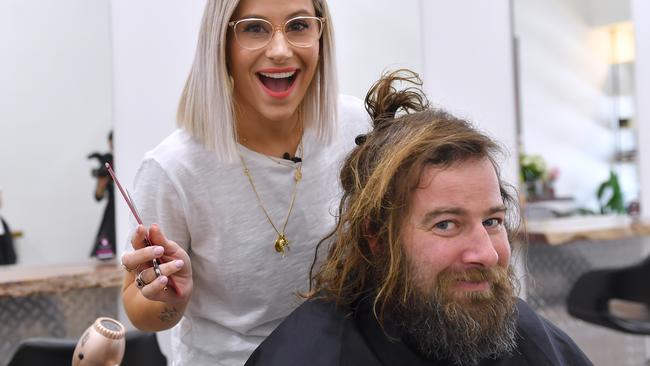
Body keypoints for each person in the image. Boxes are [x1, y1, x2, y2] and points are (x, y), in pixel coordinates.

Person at [246, 70, 593, 366]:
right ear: (377, 237)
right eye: (446, 224)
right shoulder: (313, 354)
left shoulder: (524, 339)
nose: (486, 254)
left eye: (492, 222)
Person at [118, 0, 369, 364]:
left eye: (299, 26)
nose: (280, 51)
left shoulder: (357, 128)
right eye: (254, 28)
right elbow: (142, 310)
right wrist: (171, 300)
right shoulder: (173, 170)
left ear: (321, 35)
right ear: (222, 43)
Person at [88, 130, 116, 259]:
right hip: (111, 212)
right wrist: (102, 181)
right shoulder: (107, 162)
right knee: (105, 252)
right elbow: (98, 196)